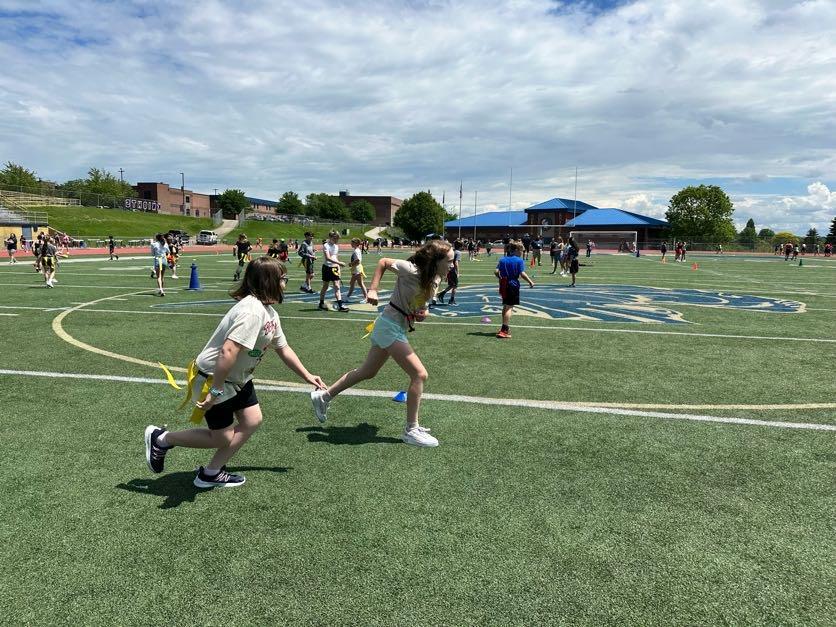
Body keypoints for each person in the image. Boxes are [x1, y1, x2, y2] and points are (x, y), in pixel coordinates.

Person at [145, 257, 326, 488]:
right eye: (283, 279)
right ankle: (162, 439)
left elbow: (283, 348)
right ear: (268, 281)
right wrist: (215, 391)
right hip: (215, 379)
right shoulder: (252, 312)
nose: (285, 283)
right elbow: (228, 351)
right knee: (220, 437)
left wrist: (307, 375)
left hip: (238, 379)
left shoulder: (268, 312)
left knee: (252, 420)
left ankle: (210, 473)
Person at [309, 240, 454, 448]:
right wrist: (373, 290)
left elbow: (421, 304)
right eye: (449, 261)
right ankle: (411, 430)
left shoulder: (436, 278)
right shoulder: (410, 269)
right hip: (388, 326)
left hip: (396, 327)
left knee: (367, 372)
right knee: (419, 374)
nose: (452, 265)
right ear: (436, 260)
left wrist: (423, 312)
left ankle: (324, 397)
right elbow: (383, 262)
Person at [494, 241, 534, 338]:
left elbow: (496, 271)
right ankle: (504, 330)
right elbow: (522, 274)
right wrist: (530, 282)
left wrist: (500, 278)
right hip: (513, 284)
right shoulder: (519, 261)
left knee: (505, 306)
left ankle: (504, 327)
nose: (522, 253)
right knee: (509, 307)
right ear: (516, 250)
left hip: (503, 284)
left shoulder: (503, 259)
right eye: (521, 251)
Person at [318, 230, 349, 312]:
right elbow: (328, 258)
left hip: (335, 268)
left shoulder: (336, 246)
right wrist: (339, 263)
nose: (337, 240)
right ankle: (321, 303)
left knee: (337, 286)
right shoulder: (326, 245)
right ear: (331, 237)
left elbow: (336, 257)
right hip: (327, 268)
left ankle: (340, 305)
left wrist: (338, 267)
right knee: (325, 286)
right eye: (335, 238)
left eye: (338, 238)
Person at [436, 239, 461, 305]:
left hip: (448, 269)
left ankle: (441, 294)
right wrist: (457, 272)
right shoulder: (458, 252)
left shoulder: (452, 251)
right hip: (453, 269)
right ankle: (451, 300)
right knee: (455, 286)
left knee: (451, 285)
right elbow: (456, 263)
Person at [345, 237, 368, 302]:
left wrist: (351, 264)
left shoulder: (356, 251)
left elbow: (358, 260)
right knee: (352, 283)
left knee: (360, 284)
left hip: (357, 269)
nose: (351, 244)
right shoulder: (357, 250)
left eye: (352, 242)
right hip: (356, 269)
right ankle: (347, 297)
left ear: (355, 243)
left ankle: (366, 298)